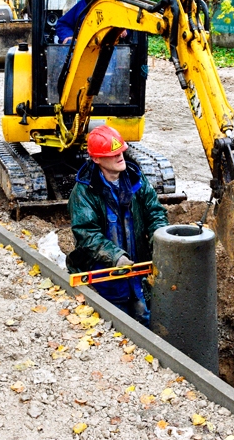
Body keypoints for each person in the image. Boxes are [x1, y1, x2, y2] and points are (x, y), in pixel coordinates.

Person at [66, 125, 169, 326]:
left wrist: (159, 238)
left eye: (121, 151)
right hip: (105, 273)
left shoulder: (135, 180)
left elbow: (155, 212)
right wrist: (115, 256)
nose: (120, 156)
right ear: (96, 159)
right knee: (117, 323)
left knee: (144, 315)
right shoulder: (84, 192)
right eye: (113, 154)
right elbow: (87, 234)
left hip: (137, 267)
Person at [55, 0, 127, 45]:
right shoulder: (84, 5)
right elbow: (63, 24)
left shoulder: (122, 7)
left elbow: (133, 27)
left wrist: (124, 30)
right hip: (81, 49)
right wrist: (69, 36)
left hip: (109, 51)